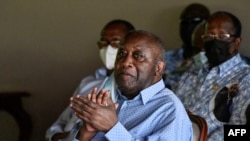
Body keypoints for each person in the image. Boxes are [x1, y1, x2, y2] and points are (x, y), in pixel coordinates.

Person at [68, 30, 193, 141]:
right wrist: (86, 133)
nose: (126, 62)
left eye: (138, 56)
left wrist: (112, 128)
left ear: (158, 68)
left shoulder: (169, 109)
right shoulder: (107, 97)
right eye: (121, 54)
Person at [45, 19, 135, 141]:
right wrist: (65, 136)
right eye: (103, 42)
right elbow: (59, 124)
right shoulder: (88, 83)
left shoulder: (133, 89)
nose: (108, 48)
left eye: (116, 42)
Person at [174, 11, 250, 140]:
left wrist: (214, 137)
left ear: (236, 42)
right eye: (209, 35)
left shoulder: (245, 78)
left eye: (223, 36)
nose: (215, 41)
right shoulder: (192, 73)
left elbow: (243, 132)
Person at [163, 3, 210, 90]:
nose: (189, 26)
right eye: (184, 22)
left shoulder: (213, 60)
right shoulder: (165, 57)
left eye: (195, 21)